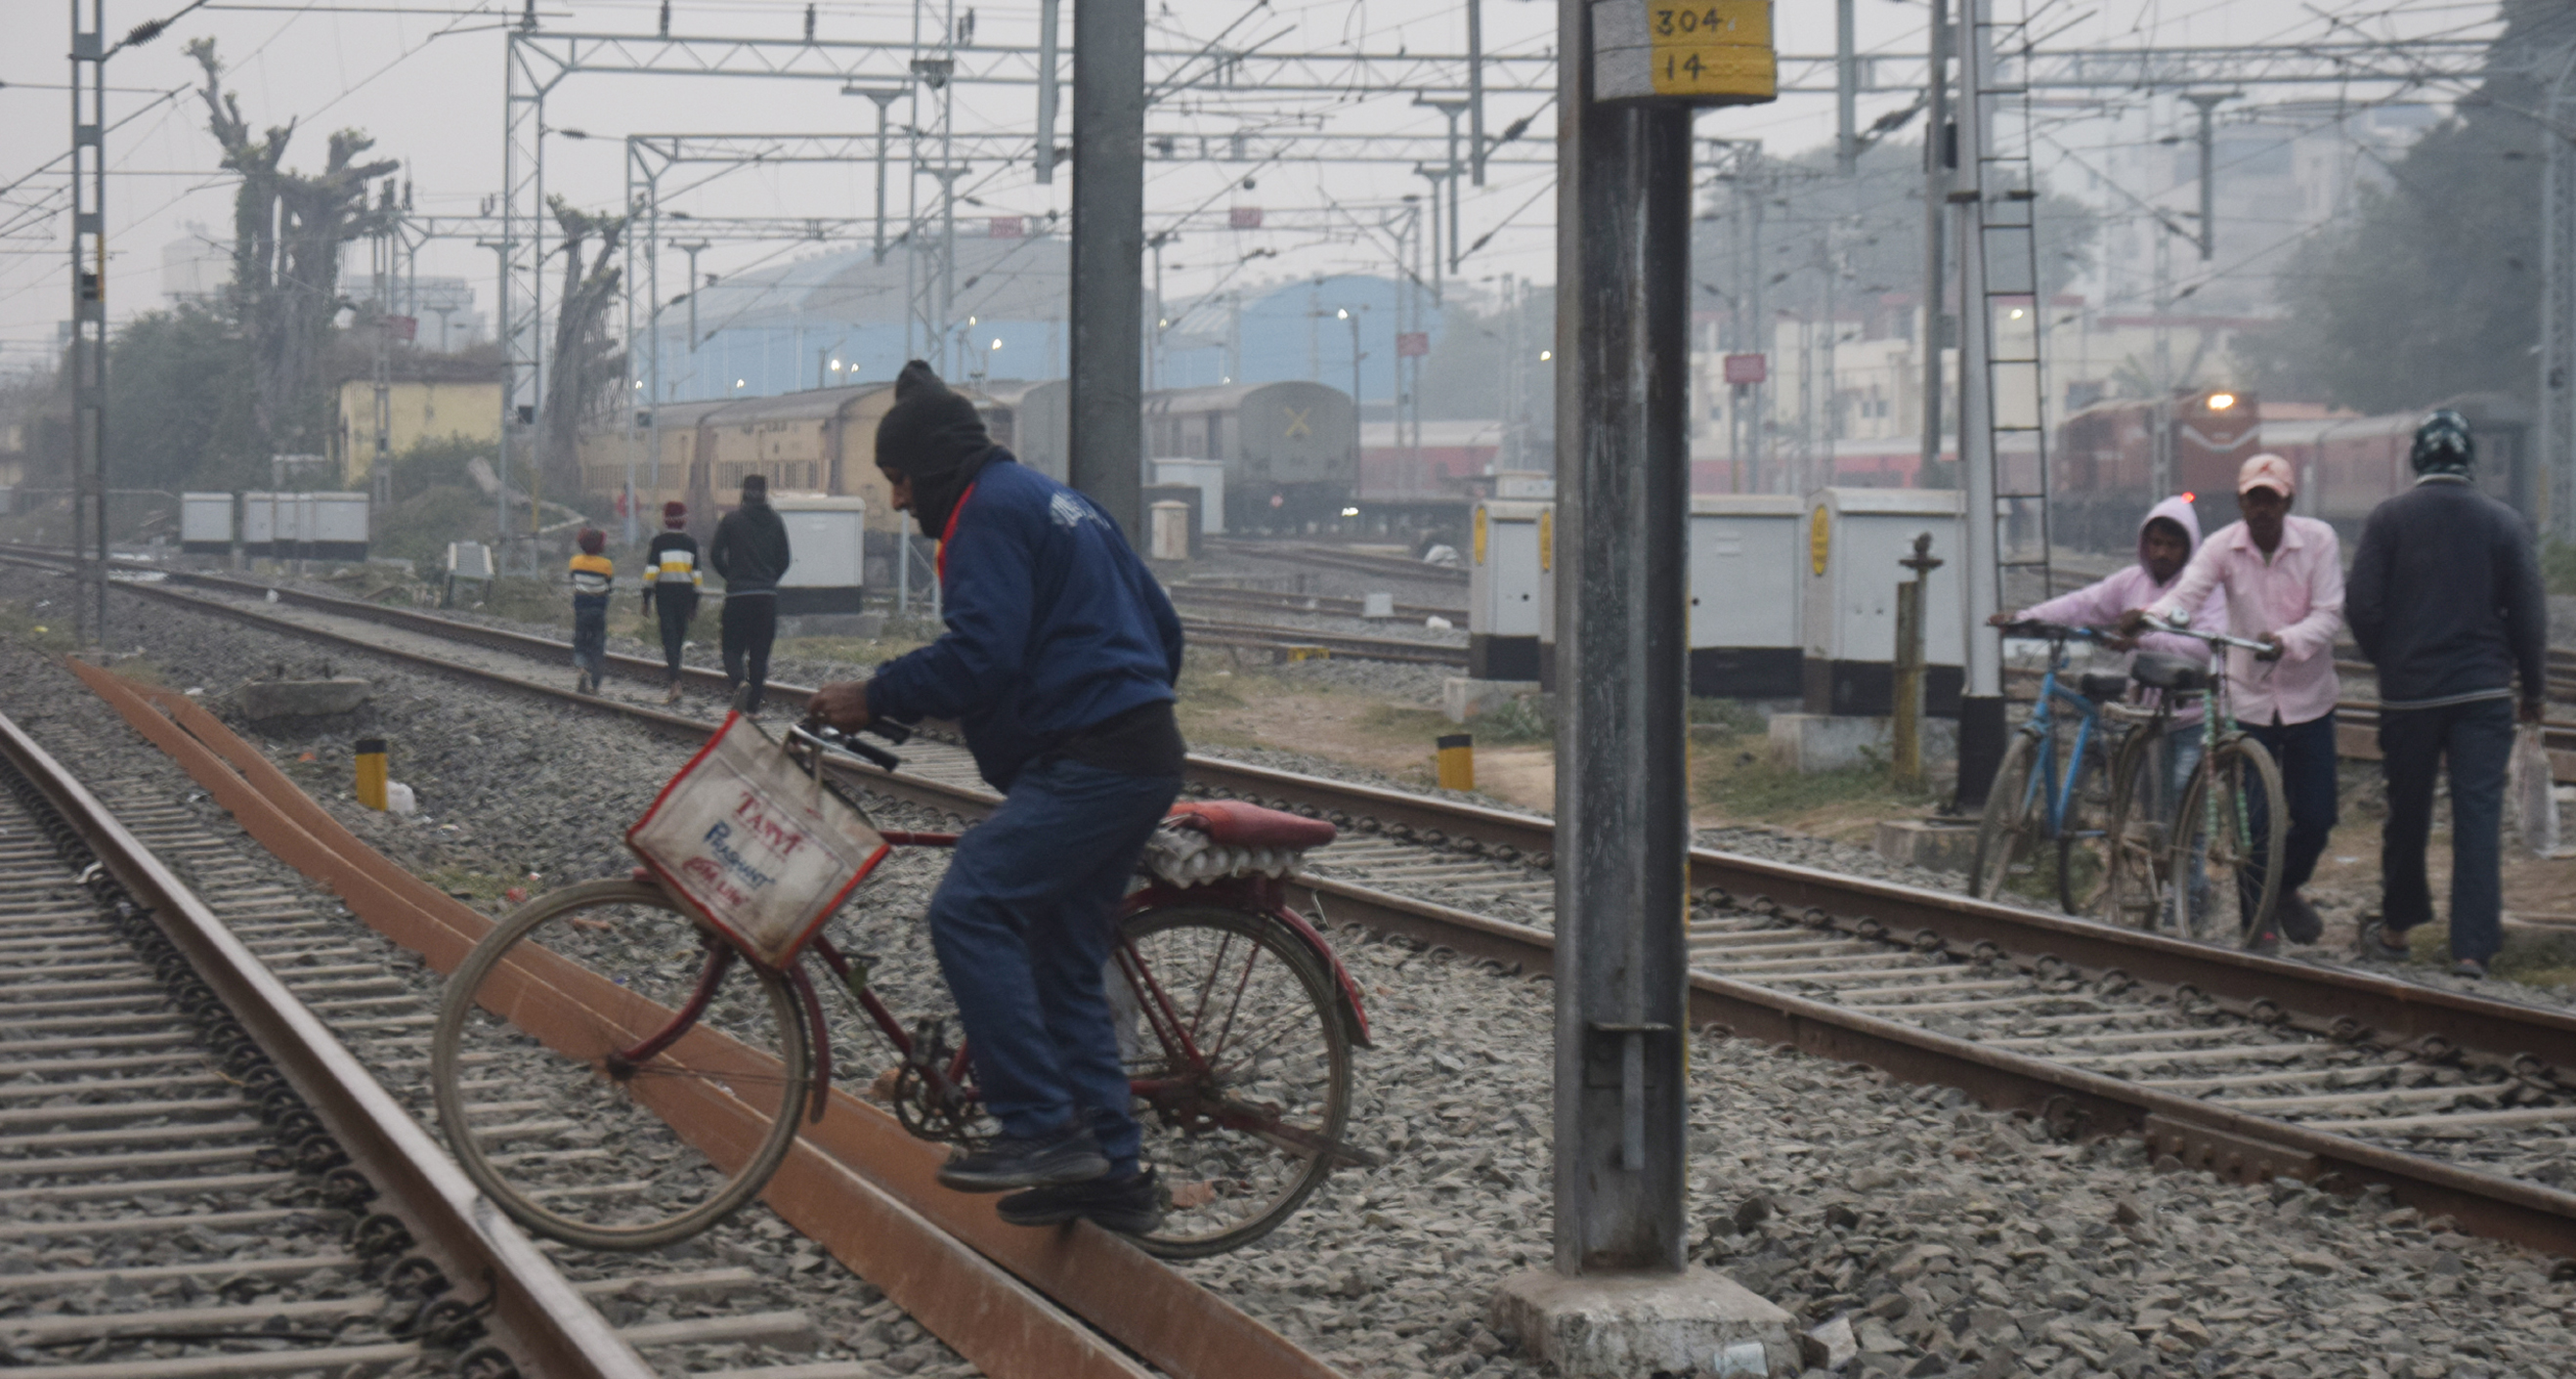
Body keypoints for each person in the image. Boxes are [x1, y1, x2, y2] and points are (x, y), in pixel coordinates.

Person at [806, 361, 1186, 1235]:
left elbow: (982, 654)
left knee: (972, 904)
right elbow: (1162, 631)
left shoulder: (983, 517)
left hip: (1094, 761)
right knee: (1060, 950)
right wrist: (1112, 703)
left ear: (932, 471)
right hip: (1128, 751)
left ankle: (1042, 1126)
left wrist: (876, 692)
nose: (898, 502)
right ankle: (1111, 1170)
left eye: (898, 480)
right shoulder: (1059, 501)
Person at [2346, 410, 2549, 979]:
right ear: (2470, 461)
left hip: (2410, 698)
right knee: (2477, 817)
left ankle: (2396, 931)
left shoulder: (2389, 519)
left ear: (2416, 460)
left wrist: (2393, 660)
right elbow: (2529, 614)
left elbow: (2361, 605)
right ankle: (2471, 950)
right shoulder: (2503, 522)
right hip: (2483, 693)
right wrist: (2532, 689)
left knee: (2407, 815)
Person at [2127, 453, 2346, 951]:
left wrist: (2287, 640)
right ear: (2241, 503)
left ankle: (2285, 886)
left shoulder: (2319, 541)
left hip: (2309, 696)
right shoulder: (2221, 547)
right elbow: (2186, 597)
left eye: (2271, 500)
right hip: (2249, 699)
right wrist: (2146, 615)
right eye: (2254, 500)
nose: (2262, 510)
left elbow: (2330, 613)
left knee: (2317, 816)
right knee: (2256, 819)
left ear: (2289, 501)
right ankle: (2258, 923)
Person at [1991, 495, 2225, 848]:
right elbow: (2081, 604)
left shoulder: (2205, 589)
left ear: (2189, 546)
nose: (2162, 552)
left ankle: (2190, 893)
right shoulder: (2130, 582)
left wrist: (2143, 640)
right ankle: (2164, 890)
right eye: (2156, 543)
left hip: (2188, 720)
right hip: (2145, 717)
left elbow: (2203, 649)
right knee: (2153, 817)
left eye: (2173, 545)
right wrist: (2024, 619)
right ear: (2144, 543)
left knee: (2182, 813)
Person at [708, 474, 790, 712]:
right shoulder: (776, 521)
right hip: (766, 597)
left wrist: (732, 576)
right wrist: (769, 579)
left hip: (738, 596)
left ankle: (739, 683)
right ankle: (753, 707)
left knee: (731, 649)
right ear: (766, 493)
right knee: (760, 655)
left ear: (743, 493)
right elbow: (784, 559)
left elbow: (715, 554)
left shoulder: (731, 520)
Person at [640, 501, 702, 705]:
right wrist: (694, 604)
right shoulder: (691, 544)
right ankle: (676, 680)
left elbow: (651, 573)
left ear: (665, 520)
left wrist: (646, 598)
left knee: (669, 639)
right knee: (679, 636)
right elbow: (697, 577)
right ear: (684, 521)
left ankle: (675, 682)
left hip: (664, 595)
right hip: (684, 596)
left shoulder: (658, 543)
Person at [567, 528, 613, 696]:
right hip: (599, 611)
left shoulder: (575, 562)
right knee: (598, 645)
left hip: (581, 610)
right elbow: (608, 585)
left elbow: (573, 579)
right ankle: (595, 684)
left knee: (580, 641)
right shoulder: (606, 564)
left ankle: (581, 668)